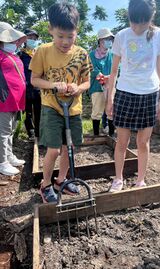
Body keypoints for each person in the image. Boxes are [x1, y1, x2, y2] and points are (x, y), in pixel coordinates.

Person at [29, 2, 92, 203]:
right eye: (60, 36)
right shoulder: (43, 51)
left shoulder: (82, 54)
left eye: (70, 36)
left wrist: (77, 88)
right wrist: (53, 85)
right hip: (51, 106)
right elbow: (34, 80)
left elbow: (87, 82)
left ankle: (61, 181)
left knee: (69, 148)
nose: (65, 41)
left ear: (77, 31)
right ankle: (45, 184)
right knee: (54, 149)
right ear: (50, 30)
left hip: (73, 108)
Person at [106, 0, 160, 192]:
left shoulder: (159, 35)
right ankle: (118, 179)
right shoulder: (122, 36)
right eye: (134, 22)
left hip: (149, 94)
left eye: (142, 23)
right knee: (122, 141)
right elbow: (114, 70)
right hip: (125, 93)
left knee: (143, 142)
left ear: (150, 19)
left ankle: (141, 179)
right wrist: (109, 99)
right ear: (129, 16)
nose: (137, 27)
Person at [0, 22, 26, 176]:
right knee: (3, 132)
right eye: (10, 40)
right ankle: (2, 162)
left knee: (10, 130)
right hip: (4, 100)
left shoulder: (11, 55)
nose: (14, 43)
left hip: (16, 100)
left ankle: (8, 156)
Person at [89, 28, 115, 137]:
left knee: (111, 110)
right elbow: (91, 68)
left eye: (110, 39)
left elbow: (119, 68)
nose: (109, 41)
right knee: (97, 111)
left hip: (111, 86)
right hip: (97, 87)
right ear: (100, 40)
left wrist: (111, 77)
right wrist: (100, 76)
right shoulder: (91, 55)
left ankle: (111, 134)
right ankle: (96, 135)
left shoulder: (113, 54)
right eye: (106, 39)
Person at [18, 29, 41, 140]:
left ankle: (38, 132)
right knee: (27, 112)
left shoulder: (39, 54)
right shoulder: (20, 55)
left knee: (39, 110)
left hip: (38, 88)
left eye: (34, 38)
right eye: (30, 37)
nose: (32, 40)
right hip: (25, 88)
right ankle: (31, 132)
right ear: (25, 39)